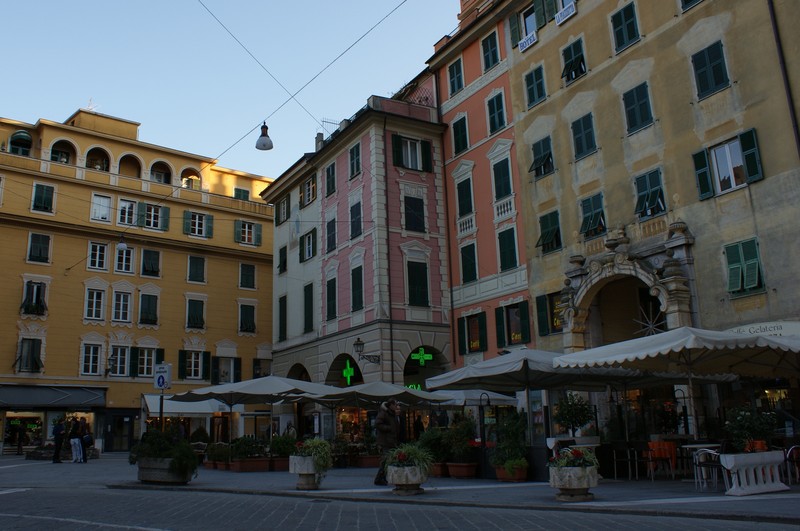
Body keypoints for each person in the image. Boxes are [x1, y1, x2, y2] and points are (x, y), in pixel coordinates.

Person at [373, 398, 401, 486]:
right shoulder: (384, 413)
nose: (396, 406)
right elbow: (377, 423)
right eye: (395, 405)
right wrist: (388, 428)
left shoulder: (392, 414)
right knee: (385, 460)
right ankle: (379, 479)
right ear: (391, 405)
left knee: (387, 461)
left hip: (391, 440)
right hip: (385, 441)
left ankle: (382, 478)